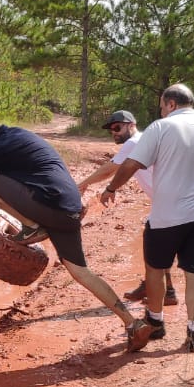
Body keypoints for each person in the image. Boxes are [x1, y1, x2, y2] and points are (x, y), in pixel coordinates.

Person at [0, 115, 155, 351]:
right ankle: (133, 323)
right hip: (70, 209)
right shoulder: (18, 136)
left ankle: (31, 225)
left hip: (51, 207)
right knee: (80, 271)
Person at [98, 84, 194, 353]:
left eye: (162, 105)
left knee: (155, 267)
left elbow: (131, 164)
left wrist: (111, 188)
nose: (161, 110)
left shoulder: (160, 128)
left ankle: (156, 322)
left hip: (167, 215)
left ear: (171, 104)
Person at [75, 109, 177, 306]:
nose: (114, 132)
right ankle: (157, 286)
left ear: (132, 125)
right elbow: (119, 170)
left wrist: (83, 184)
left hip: (169, 202)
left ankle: (166, 292)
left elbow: (110, 169)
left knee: (156, 246)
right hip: (168, 200)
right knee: (157, 245)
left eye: (117, 127)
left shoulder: (134, 142)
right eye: (111, 129)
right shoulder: (143, 141)